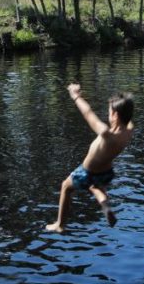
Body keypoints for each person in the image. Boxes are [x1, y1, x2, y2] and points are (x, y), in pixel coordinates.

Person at [46, 84, 134, 233]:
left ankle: (60, 225)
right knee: (95, 186)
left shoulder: (106, 134)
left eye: (109, 111)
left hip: (87, 172)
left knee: (65, 187)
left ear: (115, 116)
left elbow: (88, 113)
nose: (108, 113)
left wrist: (75, 95)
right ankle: (105, 206)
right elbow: (128, 117)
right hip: (107, 173)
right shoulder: (129, 131)